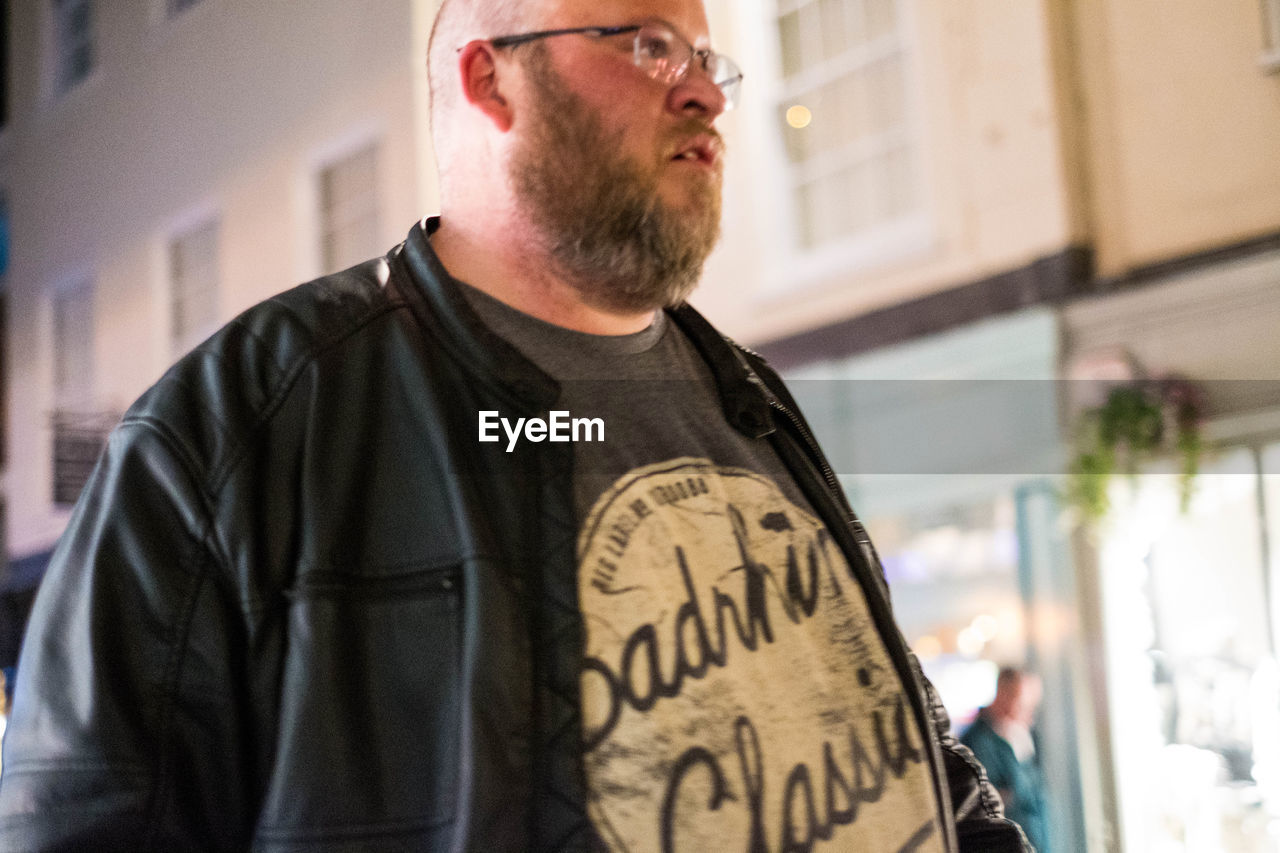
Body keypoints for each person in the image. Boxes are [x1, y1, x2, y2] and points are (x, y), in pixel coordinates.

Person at [0, 0, 1030, 850]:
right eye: (645, 43)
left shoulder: (748, 400)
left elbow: (906, 750)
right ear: (491, 80)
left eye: (708, 58)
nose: (705, 89)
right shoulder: (240, 428)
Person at [961, 668, 1049, 852]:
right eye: (1022, 704)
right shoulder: (977, 740)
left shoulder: (1024, 735)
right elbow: (989, 800)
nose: (1028, 714)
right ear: (1003, 693)